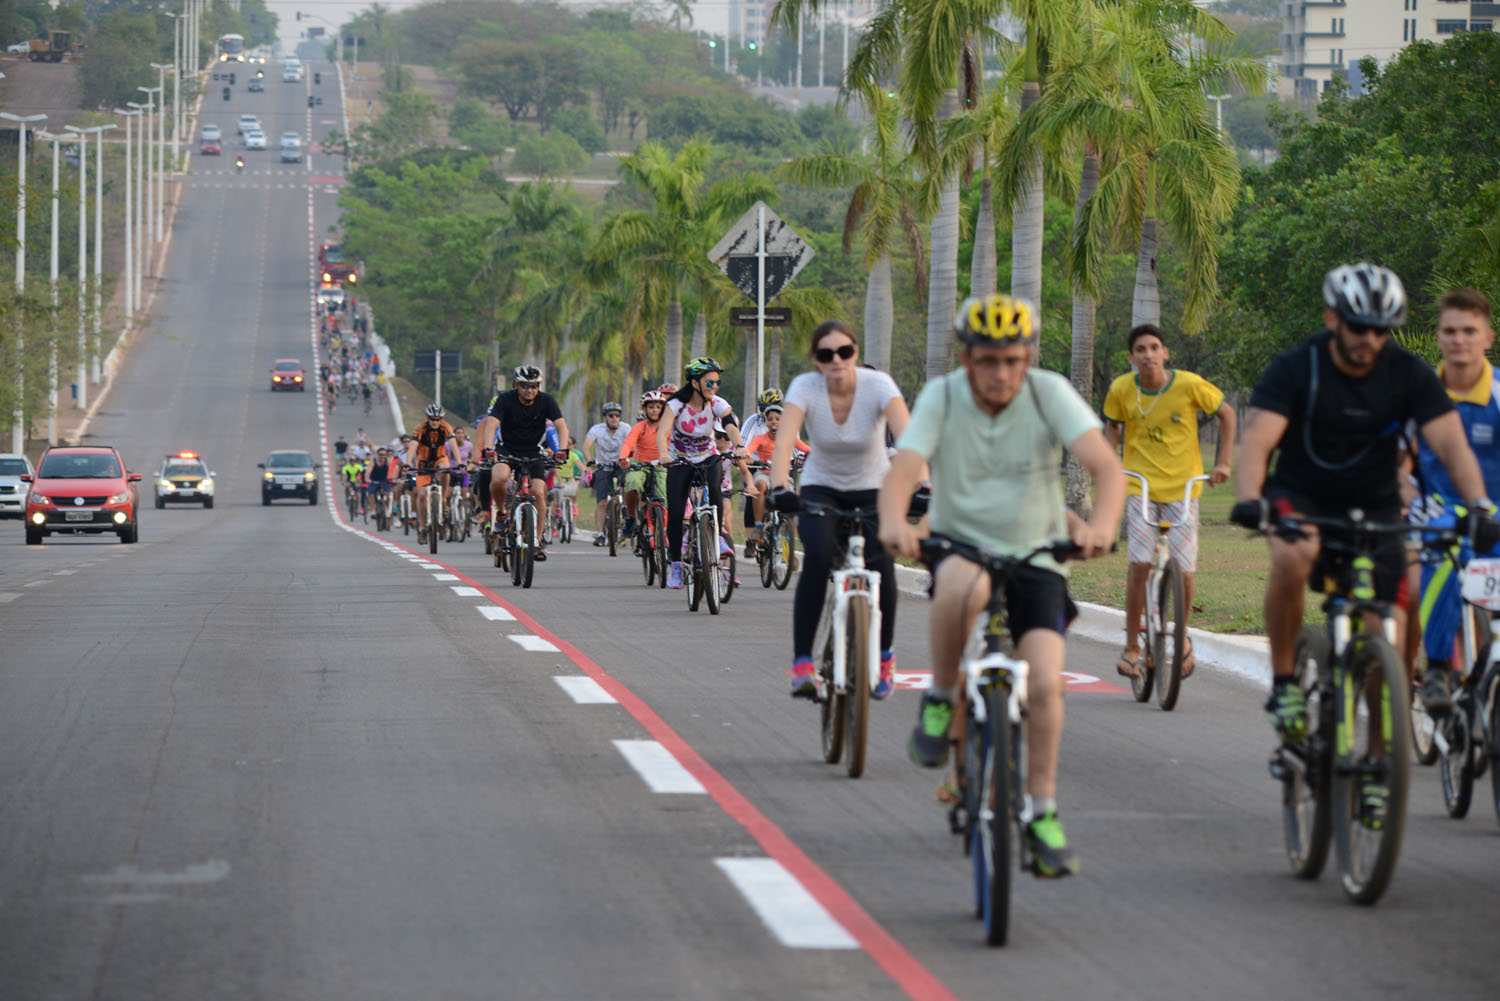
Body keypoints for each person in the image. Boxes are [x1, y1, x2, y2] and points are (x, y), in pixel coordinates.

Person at [878, 293, 1124, 877]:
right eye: (988, 360)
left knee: (1044, 683)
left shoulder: (1048, 392)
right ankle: (941, 699)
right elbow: (905, 470)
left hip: (1038, 553)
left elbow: (1106, 466)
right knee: (962, 588)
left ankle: (1040, 811)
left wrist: (1102, 527)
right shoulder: (943, 396)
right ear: (966, 359)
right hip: (962, 543)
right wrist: (895, 522)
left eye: (1013, 359)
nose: (1001, 373)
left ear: (1028, 356)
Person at [1231, 263, 1493, 747]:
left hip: (1375, 504)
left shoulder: (1408, 374)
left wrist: (1478, 504)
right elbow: (1258, 441)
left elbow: (1452, 446)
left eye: (1380, 329)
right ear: (1333, 318)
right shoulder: (1297, 367)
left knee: (1383, 637)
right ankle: (1286, 682)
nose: (1369, 338)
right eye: (1358, 326)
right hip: (1302, 494)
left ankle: (1377, 763)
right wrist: (1249, 499)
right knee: (1293, 555)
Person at [770, 321, 910, 699]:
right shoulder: (805, 387)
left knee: (882, 562)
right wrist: (780, 487)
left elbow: (912, 439)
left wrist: (923, 485)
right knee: (816, 556)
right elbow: (784, 444)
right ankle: (802, 664)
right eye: (826, 354)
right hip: (822, 489)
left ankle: (883, 656)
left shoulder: (878, 386)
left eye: (844, 352)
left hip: (875, 489)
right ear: (816, 360)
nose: (837, 360)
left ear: (856, 352)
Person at [1102, 323, 1235, 681]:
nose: (1148, 355)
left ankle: (1182, 635)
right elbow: (1112, 427)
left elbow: (1227, 413)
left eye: (1154, 348)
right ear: (1131, 358)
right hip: (1139, 487)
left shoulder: (1190, 385)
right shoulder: (1121, 390)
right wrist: (1110, 463)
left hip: (1183, 489)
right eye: (1141, 350)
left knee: (1185, 570)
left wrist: (1222, 462)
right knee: (1139, 565)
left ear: (1166, 353)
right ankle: (1132, 646)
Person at [1405, 288, 1500, 712]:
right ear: (1439, 338)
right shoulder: (1418, 398)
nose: (1459, 339)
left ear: (1488, 338)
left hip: (1494, 513)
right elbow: (1395, 469)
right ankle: (1439, 667)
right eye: (1450, 331)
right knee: (1439, 557)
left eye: (1469, 331)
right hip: (1438, 510)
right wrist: (1414, 502)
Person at [656, 358, 754, 589]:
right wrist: (663, 454)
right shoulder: (676, 404)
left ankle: (718, 538)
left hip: (708, 456)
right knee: (678, 512)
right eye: (710, 381)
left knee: (717, 492)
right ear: (695, 382)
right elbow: (663, 432)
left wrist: (739, 445)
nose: (715, 386)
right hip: (679, 459)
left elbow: (730, 424)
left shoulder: (717, 403)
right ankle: (677, 566)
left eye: (717, 381)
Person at [476, 366, 569, 562]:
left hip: (533, 451)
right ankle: (501, 513)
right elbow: (492, 423)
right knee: (499, 478)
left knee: (539, 492)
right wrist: (489, 447)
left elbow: (560, 425)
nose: (530, 390)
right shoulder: (505, 399)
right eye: (525, 386)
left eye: (534, 386)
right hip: (507, 449)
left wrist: (562, 450)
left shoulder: (547, 400)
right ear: (516, 385)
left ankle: (538, 540)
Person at [746, 402, 810, 548]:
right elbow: (748, 452)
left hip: (782, 477)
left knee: (791, 503)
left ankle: (790, 544)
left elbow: (807, 449)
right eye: (770, 419)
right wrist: (749, 458)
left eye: (778, 419)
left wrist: (810, 457)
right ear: (766, 422)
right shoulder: (760, 439)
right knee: (759, 486)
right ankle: (758, 527)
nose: (774, 422)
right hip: (764, 474)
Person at [619, 390, 670, 530]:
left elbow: (676, 445)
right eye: (651, 407)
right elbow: (628, 443)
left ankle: (666, 532)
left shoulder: (668, 427)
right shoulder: (640, 427)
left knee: (666, 497)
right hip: (639, 464)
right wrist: (623, 458)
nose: (655, 411)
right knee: (632, 483)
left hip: (661, 466)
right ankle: (630, 517)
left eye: (658, 407)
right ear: (644, 409)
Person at [406, 403, 455, 542]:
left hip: (439, 458)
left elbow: (453, 445)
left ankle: (444, 499)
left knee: (446, 469)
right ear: (427, 418)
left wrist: (460, 461)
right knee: (421, 495)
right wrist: (407, 463)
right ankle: (422, 528)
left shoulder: (446, 427)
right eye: (432, 419)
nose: (435, 422)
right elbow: (413, 445)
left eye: (438, 419)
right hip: (423, 461)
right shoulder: (420, 428)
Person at [583, 402, 630, 546]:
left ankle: (627, 517)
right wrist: (591, 461)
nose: (614, 418)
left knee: (630, 490)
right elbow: (586, 447)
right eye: (611, 415)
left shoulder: (626, 428)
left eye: (617, 415)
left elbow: (632, 445)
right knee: (602, 502)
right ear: (605, 417)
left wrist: (629, 458)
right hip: (603, 466)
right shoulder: (596, 429)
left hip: (622, 464)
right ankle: (601, 534)